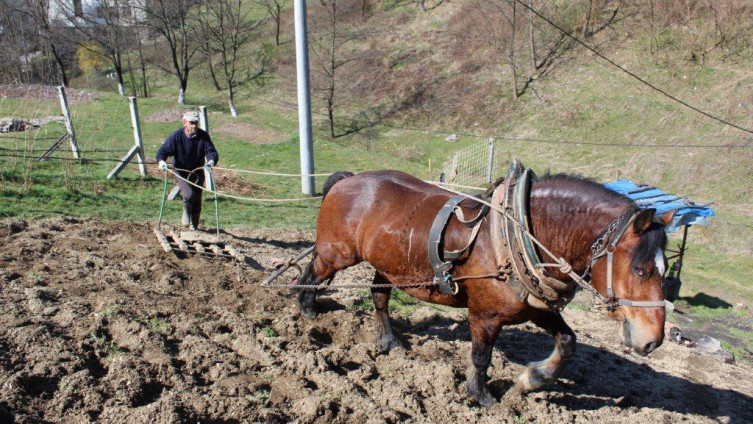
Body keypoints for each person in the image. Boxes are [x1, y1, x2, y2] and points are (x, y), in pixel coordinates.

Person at [156, 111, 219, 230]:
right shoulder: (176, 136)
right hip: (181, 170)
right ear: (185, 123)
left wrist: (210, 162)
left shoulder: (203, 136)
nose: (194, 125)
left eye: (196, 122)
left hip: (198, 170)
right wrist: (161, 162)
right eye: (191, 123)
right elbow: (162, 152)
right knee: (189, 194)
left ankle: (194, 224)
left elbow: (212, 152)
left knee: (197, 198)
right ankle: (186, 212)